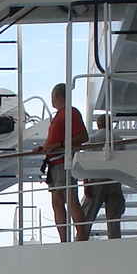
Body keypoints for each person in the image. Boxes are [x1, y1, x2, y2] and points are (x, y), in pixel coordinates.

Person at [42, 82, 89, 243]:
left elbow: (83, 136)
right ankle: (64, 239)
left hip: (63, 161)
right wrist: (45, 147)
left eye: (52, 96)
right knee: (57, 202)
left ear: (57, 96)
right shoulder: (60, 115)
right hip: (54, 163)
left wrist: (59, 145)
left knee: (70, 197)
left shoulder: (70, 113)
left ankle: (81, 233)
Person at [75, 113, 126, 240]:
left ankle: (81, 240)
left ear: (98, 125)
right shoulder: (119, 139)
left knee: (88, 215)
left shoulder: (91, 139)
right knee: (114, 217)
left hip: (96, 180)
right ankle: (115, 242)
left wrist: (86, 183)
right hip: (115, 179)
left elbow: (86, 164)